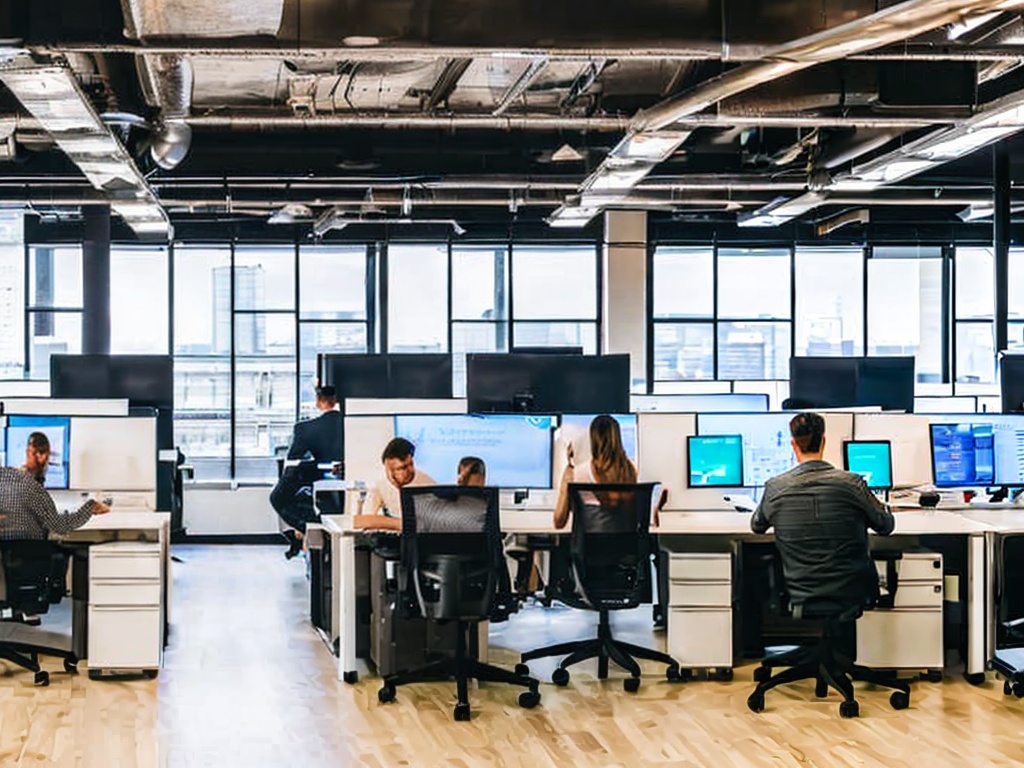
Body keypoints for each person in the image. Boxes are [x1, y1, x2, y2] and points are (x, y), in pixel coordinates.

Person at [750, 412, 895, 607]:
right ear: (823, 441)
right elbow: (885, 526)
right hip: (853, 589)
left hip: (798, 591)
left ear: (793, 444)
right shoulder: (852, 483)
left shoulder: (775, 487)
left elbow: (757, 526)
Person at [271, 385, 343, 559]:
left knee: (278, 498)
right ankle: (317, 531)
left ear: (319, 402)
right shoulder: (353, 424)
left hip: (321, 480)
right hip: (349, 479)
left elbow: (294, 456)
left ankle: (312, 529)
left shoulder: (306, 428)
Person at [0, 432, 110, 540]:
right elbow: (58, 525)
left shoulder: (7, 479)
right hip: (27, 552)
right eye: (48, 457)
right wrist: (90, 507)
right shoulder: (31, 487)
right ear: (39, 455)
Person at [553, 414, 638, 530]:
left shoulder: (574, 474)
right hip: (626, 547)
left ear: (592, 439)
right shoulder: (633, 471)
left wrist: (570, 464)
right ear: (618, 438)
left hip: (589, 547)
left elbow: (559, 522)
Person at [353, 437, 436, 531]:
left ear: (410, 464)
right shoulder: (381, 484)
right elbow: (361, 521)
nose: (391, 476)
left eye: (399, 469)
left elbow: (430, 524)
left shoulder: (427, 484)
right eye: (388, 470)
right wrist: (400, 524)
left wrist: (385, 522)